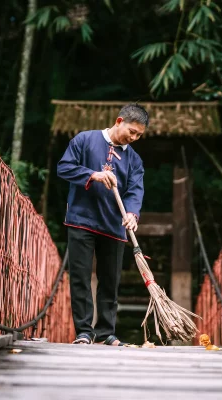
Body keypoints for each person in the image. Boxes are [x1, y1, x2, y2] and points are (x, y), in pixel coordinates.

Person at [57, 103, 148, 346]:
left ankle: (106, 332)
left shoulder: (134, 160)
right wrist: (93, 175)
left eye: (139, 135)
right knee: (80, 278)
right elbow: (64, 167)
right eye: (132, 131)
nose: (134, 138)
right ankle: (84, 332)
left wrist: (132, 214)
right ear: (119, 121)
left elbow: (135, 191)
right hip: (81, 220)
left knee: (110, 281)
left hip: (114, 226)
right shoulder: (84, 140)